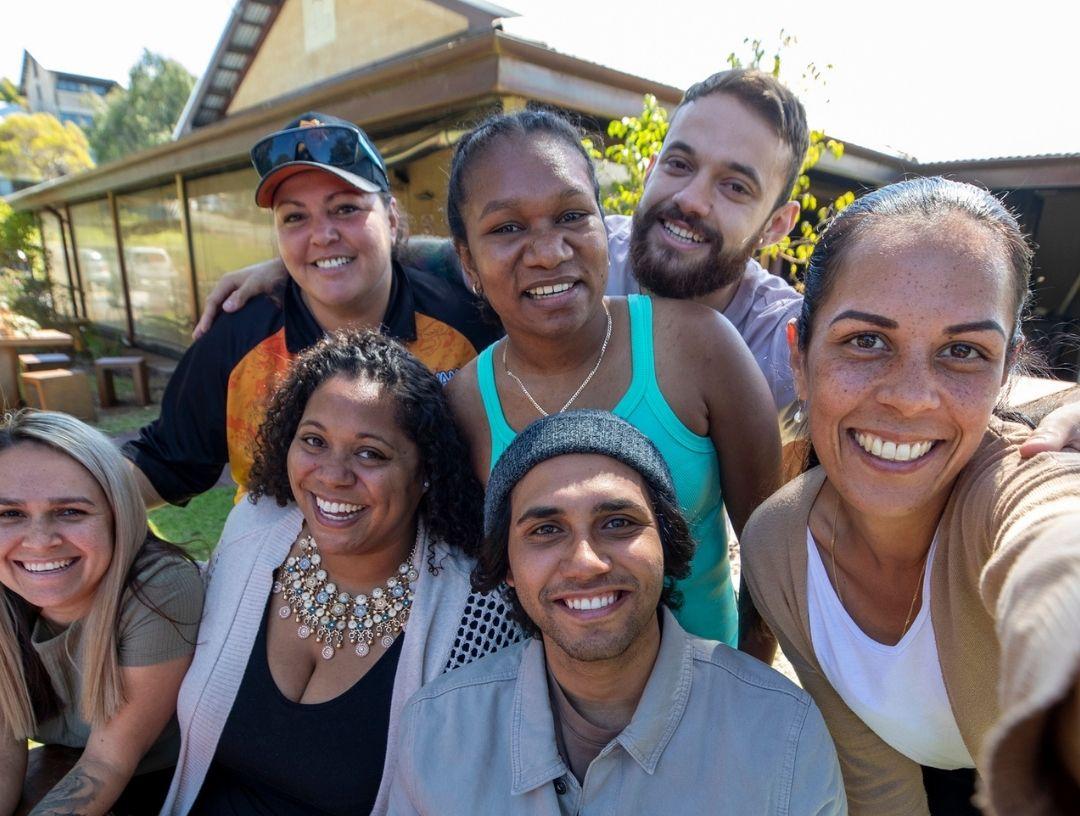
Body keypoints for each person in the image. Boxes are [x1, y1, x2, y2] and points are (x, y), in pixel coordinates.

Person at [337, 410, 852, 816]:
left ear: (668, 544)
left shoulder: (779, 740)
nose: (583, 560)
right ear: (508, 568)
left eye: (618, 523)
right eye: (545, 530)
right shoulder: (443, 729)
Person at [193, 72, 1080, 457]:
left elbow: (903, 357)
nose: (693, 199)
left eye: (736, 186)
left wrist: (1061, 409)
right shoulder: (582, 245)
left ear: (776, 225)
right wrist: (307, 262)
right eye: (681, 163)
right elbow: (437, 248)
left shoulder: (769, 334)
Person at [740, 177, 1080, 816]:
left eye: (963, 352)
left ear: (1009, 371)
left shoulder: (1025, 486)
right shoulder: (780, 544)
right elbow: (870, 759)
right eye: (866, 342)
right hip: (964, 783)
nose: (911, 396)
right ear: (799, 350)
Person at [141, 329, 520, 816]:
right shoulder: (256, 533)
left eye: (372, 454)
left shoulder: (473, 613)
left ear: (425, 476)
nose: (333, 475)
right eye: (313, 440)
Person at [443, 108, 781, 656]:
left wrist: (746, 688)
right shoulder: (465, 405)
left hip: (709, 703)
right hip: (554, 716)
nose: (550, 252)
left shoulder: (697, 348)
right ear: (468, 262)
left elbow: (773, 560)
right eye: (507, 228)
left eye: (573, 216)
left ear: (607, 226)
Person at [123, 113, 497, 508]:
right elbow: (164, 463)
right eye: (295, 217)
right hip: (278, 564)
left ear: (390, 218)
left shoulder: (465, 325)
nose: (322, 235)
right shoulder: (238, 339)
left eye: (346, 209)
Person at [0, 410, 202, 816]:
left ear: (118, 513)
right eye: (9, 513)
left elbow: (107, 765)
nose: (41, 539)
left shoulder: (160, 588)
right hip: (63, 777)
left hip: (170, 801)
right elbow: (4, 753)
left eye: (71, 511)